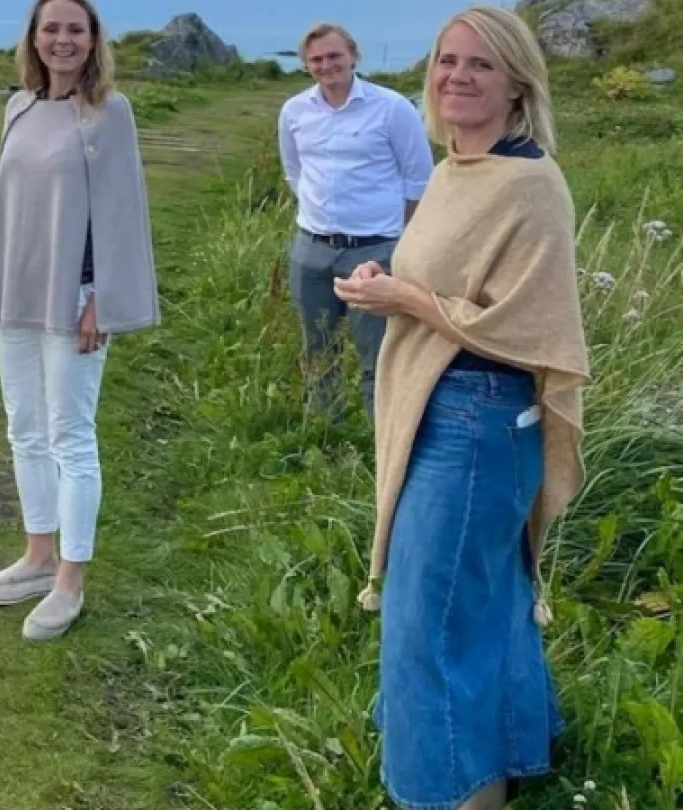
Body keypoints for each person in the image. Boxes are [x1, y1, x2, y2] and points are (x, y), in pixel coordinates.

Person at [336, 6, 590, 809]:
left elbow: (528, 332)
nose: (457, 78)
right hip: (443, 407)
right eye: (447, 62)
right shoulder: (457, 169)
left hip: (480, 416)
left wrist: (406, 297)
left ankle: (444, 795)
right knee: (488, 601)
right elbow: (453, 282)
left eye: (480, 65)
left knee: (426, 622)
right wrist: (393, 284)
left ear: (517, 82)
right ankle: (505, 766)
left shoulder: (532, 183)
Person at [0, 0, 159, 641]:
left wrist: (104, 296)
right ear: (33, 38)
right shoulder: (19, 107)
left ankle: (70, 579)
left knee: (70, 436)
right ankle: (38, 552)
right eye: (51, 28)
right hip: (17, 297)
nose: (62, 39)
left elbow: (121, 211)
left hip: (73, 299)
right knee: (24, 430)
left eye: (75, 28)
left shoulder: (108, 112)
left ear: (93, 38)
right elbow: (5, 209)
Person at [278, 22, 435, 420]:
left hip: (376, 250)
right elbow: (294, 172)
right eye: (316, 59)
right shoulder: (294, 112)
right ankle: (323, 429)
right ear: (306, 65)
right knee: (317, 347)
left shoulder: (393, 107)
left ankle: (379, 438)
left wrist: (399, 241)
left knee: (378, 352)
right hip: (311, 250)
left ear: (353, 57)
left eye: (334, 56)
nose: (326, 65)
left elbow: (419, 178)